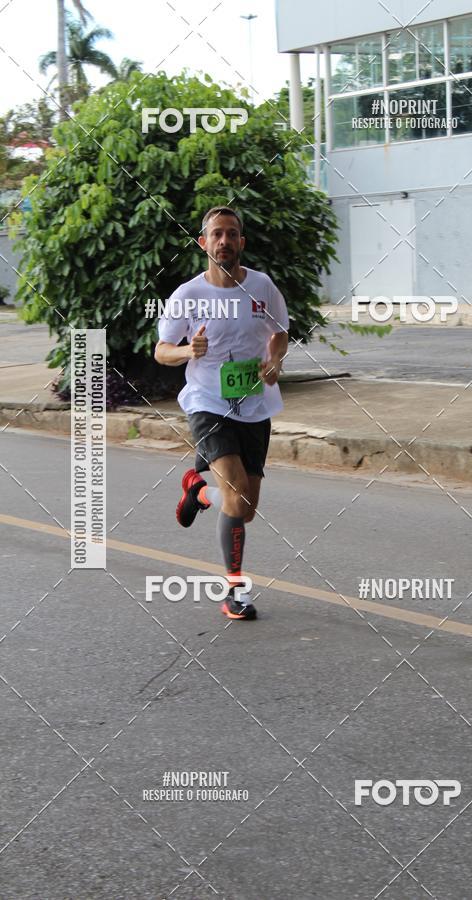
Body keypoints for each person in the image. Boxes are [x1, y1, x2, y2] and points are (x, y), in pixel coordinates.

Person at [154, 206, 289, 620]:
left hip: (253, 404)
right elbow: (161, 351)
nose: (224, 241)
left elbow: (280, 333)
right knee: (236, 496)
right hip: (208, 404)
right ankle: (235, 591)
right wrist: (185, 351)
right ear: (203, 243)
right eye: (217, 234)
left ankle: (198, 491)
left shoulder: (262, 287)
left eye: (232, 234)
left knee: (244, 506)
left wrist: (274, 361)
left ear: (241, 242)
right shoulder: (188, 295)